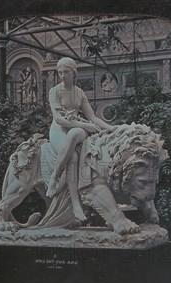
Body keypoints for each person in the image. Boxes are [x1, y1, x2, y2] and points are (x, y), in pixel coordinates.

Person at [46, 57, 111, 221]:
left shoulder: (79, 92)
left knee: (75, 133)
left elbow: (92, 118)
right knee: (73, 156)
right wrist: (85, 126)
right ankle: (75, 203)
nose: (62, 75)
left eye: (66, 72)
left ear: (73, 72)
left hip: (77, 128)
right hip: (59, 130)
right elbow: (59, 119)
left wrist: (113, 129)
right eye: (59, 72)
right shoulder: (54, 91)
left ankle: (56, 176)